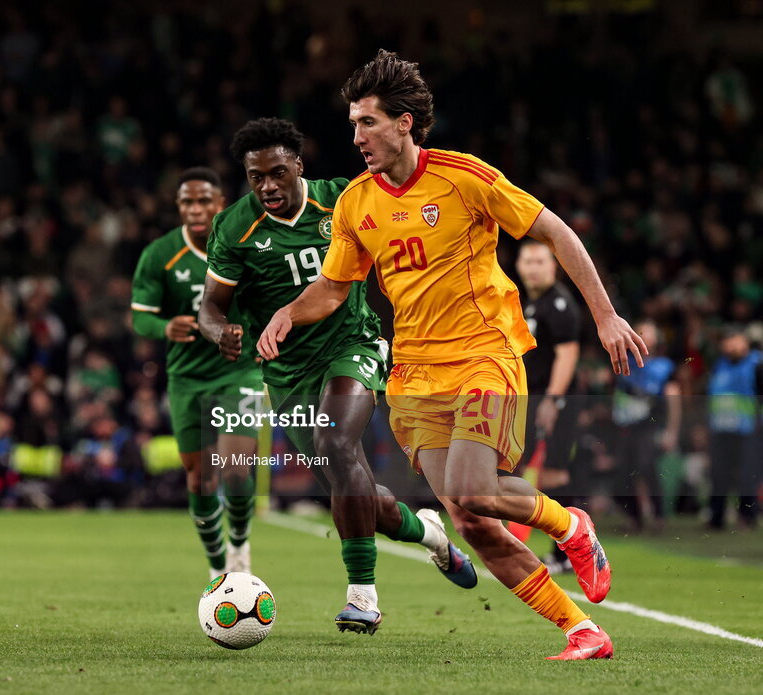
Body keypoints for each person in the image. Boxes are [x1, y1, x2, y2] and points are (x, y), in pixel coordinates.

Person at [258, 50, 647, 660]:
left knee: (473, 489)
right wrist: (287, 311)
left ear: (405, 123)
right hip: (413, 369)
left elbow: (556, 232)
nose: (355, 135)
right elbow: (334, 288)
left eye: (368, 122)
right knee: (468, 520)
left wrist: (604, 314)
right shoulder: (357, 203)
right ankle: (583, 630)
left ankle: (570, 526)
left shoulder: (464, 177)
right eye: (354, 123)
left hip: (483, 352)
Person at [200, 117, 476, 635]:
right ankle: (432, 535)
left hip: (353, 342)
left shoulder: (342, 201)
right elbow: (209, 308)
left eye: (278, 173)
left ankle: (362, 597)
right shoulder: (235, 228)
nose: (268, 187)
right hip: (286, 371)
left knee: (335, 440)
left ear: (299, 166)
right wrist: (220, 332)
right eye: (256, 177)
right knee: (357, 493)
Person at [131, 167, 262, 577]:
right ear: (178, 207)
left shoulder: (245, 243)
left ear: (220, 204)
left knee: (238, 467)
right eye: (188, 201)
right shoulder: (160, 254)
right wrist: (163, 327)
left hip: (238, 372)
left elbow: (268, 297)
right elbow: (140, 318)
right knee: (200, 477)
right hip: (187, 379)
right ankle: (217, 565)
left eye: (205, 200)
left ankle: (240, 540)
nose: (196, 208)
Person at [514, 240, 582, 574]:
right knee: (540, 473)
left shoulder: (559, 303)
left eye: (540, 261)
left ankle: (570, 551)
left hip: (557, 400)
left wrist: (553, 400)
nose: (533, 267)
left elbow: (567, 354)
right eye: (528, 261)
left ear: (553, 266)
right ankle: (565, 549)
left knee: (555, 473)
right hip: (534, 396)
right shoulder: (529, 302)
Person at [611, 319, 681, 531]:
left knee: (647, 467)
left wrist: (671, 431)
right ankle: (634, 517)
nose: (644, 336)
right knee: (624, 471)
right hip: (625, 427)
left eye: (648, 333)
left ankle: (659, 515)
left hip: (650, 426)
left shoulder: (665, 366)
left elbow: (673, 399)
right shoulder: (624, 362)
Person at [705, 326, 762, 530]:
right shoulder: (719, 365)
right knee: (719, 476)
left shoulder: (757, 364)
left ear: (744, 341)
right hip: (721, 431)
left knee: (748, 476)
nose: (729, 346)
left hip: (749, 431)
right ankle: (716, 518)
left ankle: (747, 516)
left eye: (734, 341)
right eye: (726, 342)